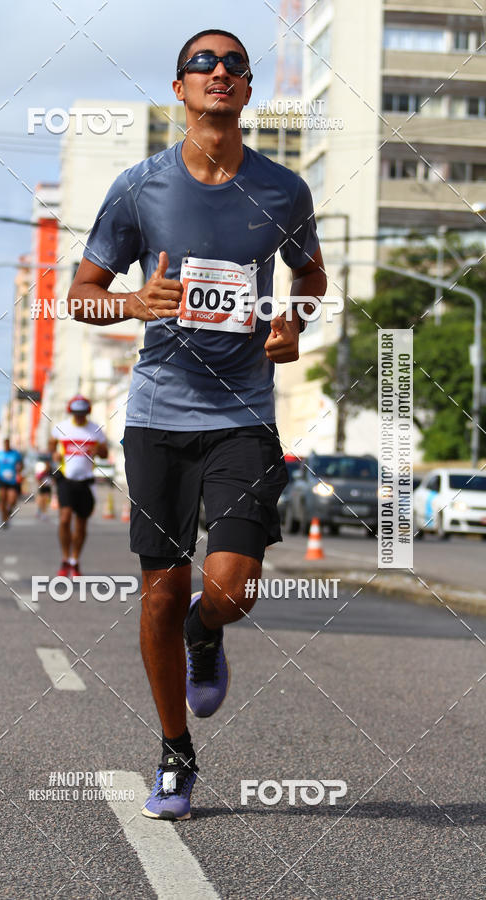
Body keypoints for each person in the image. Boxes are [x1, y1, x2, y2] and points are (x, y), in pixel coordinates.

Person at [67, 28, 327, 820]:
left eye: (234, 65)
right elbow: (81, 293)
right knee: (158, 588)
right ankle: (175, 753)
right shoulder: (139, 188)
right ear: (180, 88)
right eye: (203, 64)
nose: (220, 73)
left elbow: (310, 274)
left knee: (231, 588)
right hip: (157, 411)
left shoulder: (283, 191)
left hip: (243, 409)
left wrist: (294, 320)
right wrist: (131, 302)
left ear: (248, 91)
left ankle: (207, 633)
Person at [49, 396, 108, 578]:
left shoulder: (95, 430)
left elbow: (105, 453)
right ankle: (65, 558)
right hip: (66, 480)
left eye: (82, 414)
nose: (80, 417)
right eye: (76, 414)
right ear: (71, 413)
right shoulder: (62, 428)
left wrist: (98, 451)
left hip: (86, 482)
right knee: (65, 519)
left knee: (81, 525)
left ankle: (75, 561)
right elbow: (51, 446)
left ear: (87, 413)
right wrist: (54, 455)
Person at [0, 438, 23, 526]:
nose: (6, 445)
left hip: (12, 479)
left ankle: (8, 511)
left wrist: (19, 470)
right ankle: (4, 519)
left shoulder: (15, 454)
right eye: (5, 444)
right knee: (2, 499)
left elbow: (20, 464)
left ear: (9, 444)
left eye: (8, 443)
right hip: (1, 479)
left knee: (12, 499)